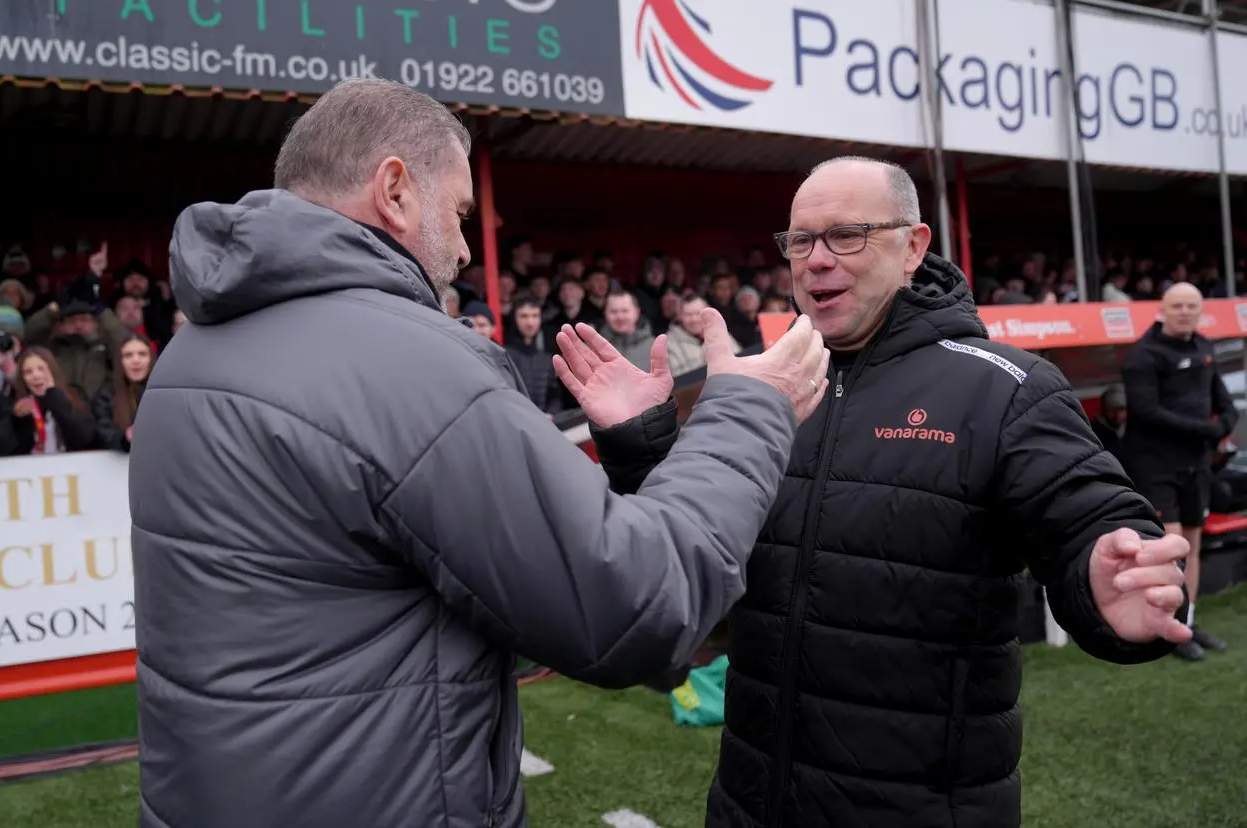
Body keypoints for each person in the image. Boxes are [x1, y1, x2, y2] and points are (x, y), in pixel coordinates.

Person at [128, 78, 831, 828]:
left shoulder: (189, 352)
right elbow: (632, 607)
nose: (466, 248)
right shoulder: (401, 360)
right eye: (461, 214)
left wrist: (639, 445)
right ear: (395, 189)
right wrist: (749, 409)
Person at [556, 156, 1191, 828]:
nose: (816, 261)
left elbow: (1085, 512)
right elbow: (696, 557)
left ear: (913, 246)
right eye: (801, 240)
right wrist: (643, 440)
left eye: (846, 235)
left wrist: (1102, 572)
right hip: (749, 802)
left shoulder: (1006, 387)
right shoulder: (770, 385)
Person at [1121, 282, 1237, 661]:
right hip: (1157, 465)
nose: (1184, 312)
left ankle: (1187, 623)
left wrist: (1229, 418)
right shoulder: (1143, 355)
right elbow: (1146, 411)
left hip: (1197, 464)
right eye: (1177, 306)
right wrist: (1206, 430)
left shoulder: (1205, 347)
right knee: (1170, 548)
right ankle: (1163, 628)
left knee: (1193, 545)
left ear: (1200, 310)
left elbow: (1219, 393)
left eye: (1191, 306)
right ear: (1162, 310)